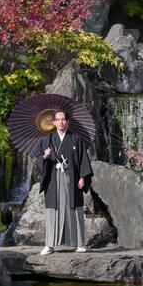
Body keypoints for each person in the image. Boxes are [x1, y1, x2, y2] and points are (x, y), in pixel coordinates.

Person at [37, 109, 93, 256]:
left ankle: (80, 243)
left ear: (67, 121)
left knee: (75, 209)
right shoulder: (47, 140)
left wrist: (82, 178)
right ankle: (49, 244)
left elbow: (83, 161)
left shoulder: (76, 139)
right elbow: (39, 160)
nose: (61, 122)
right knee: (53, 210)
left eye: (63, 119)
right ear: (53, 122)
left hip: (72, 178)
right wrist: (45, 156)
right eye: (58, 119)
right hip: (53, 180)